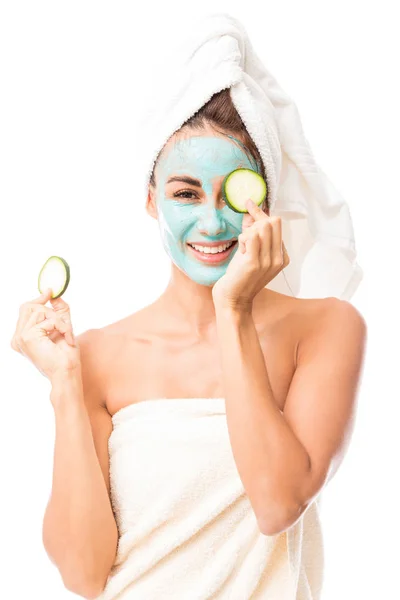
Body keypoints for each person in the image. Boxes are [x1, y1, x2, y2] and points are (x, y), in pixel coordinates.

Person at [11, 87, 366, 599]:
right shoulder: (96, 356)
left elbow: (277, 504)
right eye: (186, 193)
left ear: (267, 199)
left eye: (235, 195)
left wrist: (234, 309)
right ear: (152, 199)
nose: (211, 222)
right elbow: (83, 575)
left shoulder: (327, 329)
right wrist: (65, 384)